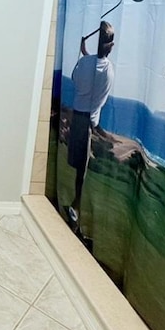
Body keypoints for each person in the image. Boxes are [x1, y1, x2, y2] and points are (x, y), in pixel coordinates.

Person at [66, 21, 115, 236]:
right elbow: (97, 66)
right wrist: (88, 51)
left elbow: (79, 76)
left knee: (77, 166)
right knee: (81, 171)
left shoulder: (85, 63)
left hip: (78, 118)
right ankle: (76, 207)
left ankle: (74, 206)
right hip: (87, 124)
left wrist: (83, 49)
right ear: (110, 47)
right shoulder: (109, 71)